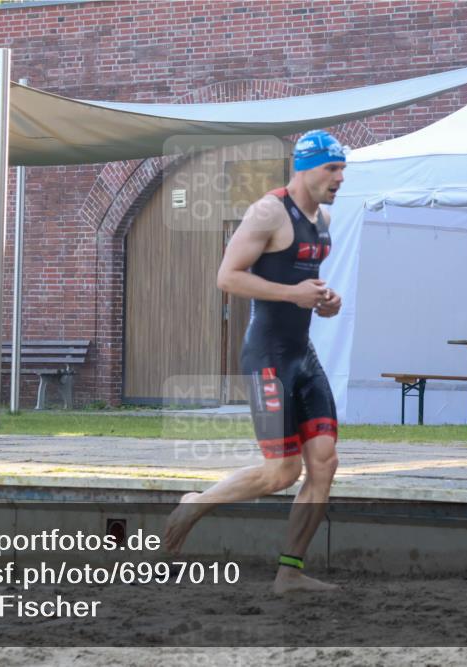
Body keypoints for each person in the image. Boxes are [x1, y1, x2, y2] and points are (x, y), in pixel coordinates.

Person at [165, 130, 346, 593]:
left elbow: (302, 279)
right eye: (332, 168)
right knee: (281, 474)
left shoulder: (321, 216)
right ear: (305, 167)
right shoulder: (268, 211)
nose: (339, 177)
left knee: (323, 462)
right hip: (267, 357)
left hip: (302, 354)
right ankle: (196, 504)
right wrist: (293, 294)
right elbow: (228, 277)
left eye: (343, 169)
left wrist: (325, 299)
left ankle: (290, 573)